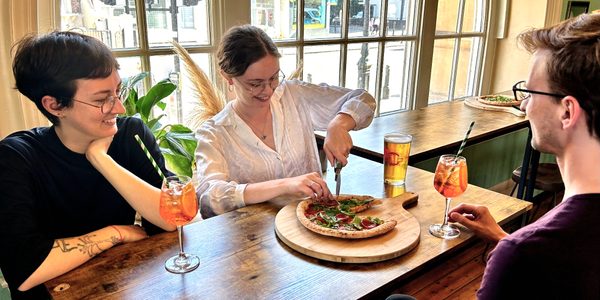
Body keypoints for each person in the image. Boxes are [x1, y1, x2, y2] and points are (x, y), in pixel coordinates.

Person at [0, 31, 175, 299]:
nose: (120, 108)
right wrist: (115, 233)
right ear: (55, 105)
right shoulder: (16, 157)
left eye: (119, 91)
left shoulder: (131, 135)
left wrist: (101, 159)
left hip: (122, 286)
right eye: (101, 99)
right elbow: (25, 271)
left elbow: (171, 219)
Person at [447, 14, 600, 299]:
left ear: (567, 111)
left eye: (529, 92)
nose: (525, 105)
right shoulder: (537, 251)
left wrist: (516, 248)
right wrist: (504, 238)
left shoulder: (524, 255)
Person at [195, 25, 376, 218]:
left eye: (274, 78)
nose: (268, 90)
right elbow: (209, 198)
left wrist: (339, 124)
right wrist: (284, 185)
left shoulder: (294, 95)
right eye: (255, 84)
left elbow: (363, 100)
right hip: (255, 238)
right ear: (227, 77)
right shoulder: (214, 133)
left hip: (314, 224)